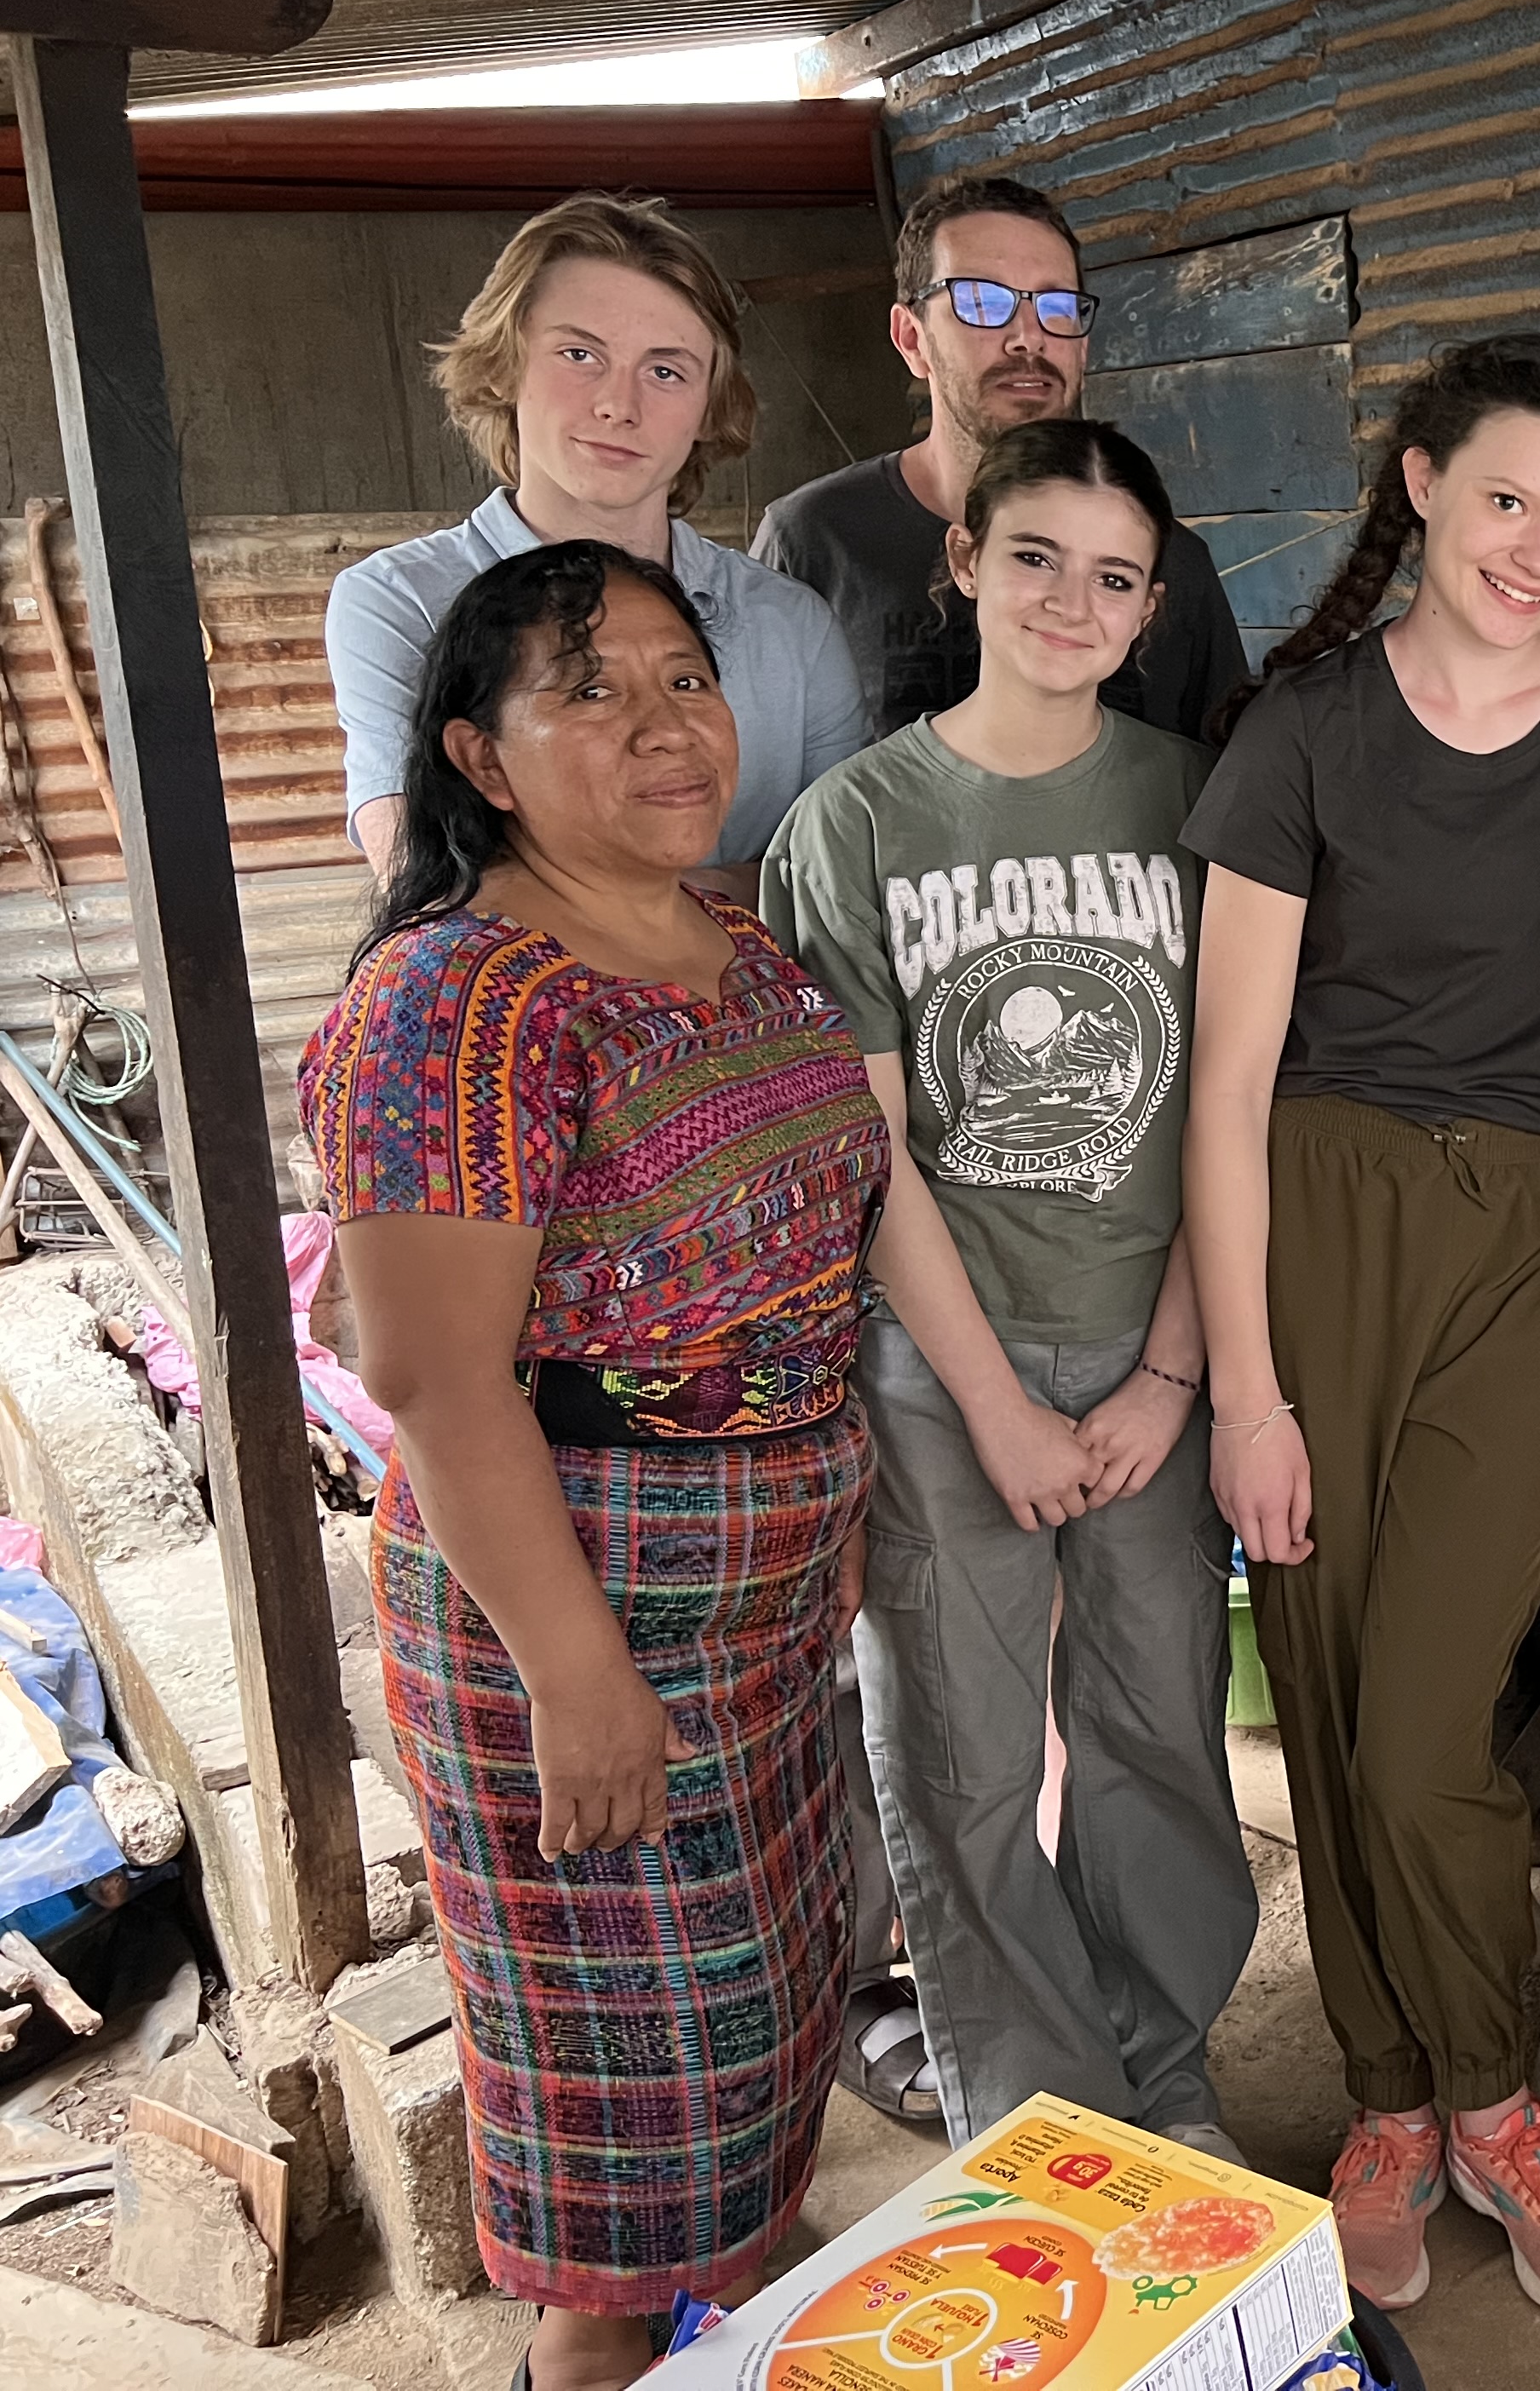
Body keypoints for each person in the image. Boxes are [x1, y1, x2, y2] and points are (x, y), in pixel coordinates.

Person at [1181, 331, 1540, 2323]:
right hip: (1317, 1217)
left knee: (1424, 1719)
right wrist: (1247, 1395)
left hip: (1531, 1226)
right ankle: (1389, 2098)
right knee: (1331, 1696)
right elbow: (1225, 1085)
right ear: (1419, 481)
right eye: (1510, 500)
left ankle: (1496, 2094)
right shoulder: (1302, 733)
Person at [302, 542, 888, 2391]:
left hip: (759, 1606)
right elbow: (432, 1373)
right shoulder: (459, 1003)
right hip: (580, 1606)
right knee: (623, 2127)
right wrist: (578, 1676)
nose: (663, 725)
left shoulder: (739, 946)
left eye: (684, 679)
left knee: (760, 2036)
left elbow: (815, 1252)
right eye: (591, 689)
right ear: (479, 755)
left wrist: (829, 1500)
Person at [759, 417, 1256, 2156]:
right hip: (942, 1356)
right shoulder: (854, 824)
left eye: (1116, 576)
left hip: (1153, 1340)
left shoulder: (1205, 802)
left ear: (1152, 607)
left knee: (1157, 1731)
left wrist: (1171, 1377)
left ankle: (1165, 2077)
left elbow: (1232, 1111)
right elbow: (875, 1153)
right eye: (1034, 555)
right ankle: (1044, 2116)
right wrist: (989, 1403)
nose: (1071, 600)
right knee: (959, 1757)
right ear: (964, 560)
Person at [328, 191, 869, 893]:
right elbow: (432, 885)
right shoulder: (400, 601)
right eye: (580, 353)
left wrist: (584, 901)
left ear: (711, 405)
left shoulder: (793, 626)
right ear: (505, 365)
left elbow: (845, 885)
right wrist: (739, 891)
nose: (619, 405)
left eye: (666, 370)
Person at [755, 172, 1251, 744]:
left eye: (1057, 307)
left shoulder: (1171, 561)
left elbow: (1228, 773)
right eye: (981, 301)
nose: (1028, 338)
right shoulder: (812, 541)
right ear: (912, 338)